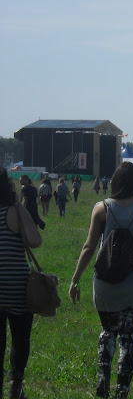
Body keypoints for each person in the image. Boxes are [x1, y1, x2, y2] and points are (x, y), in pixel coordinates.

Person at [68, 162, 133, 399]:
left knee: (108, 331)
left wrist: (75, 279)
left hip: (105, 285)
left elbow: (89, 247)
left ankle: (103, 378)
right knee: (128, 338)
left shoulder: (101, 208)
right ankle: (122, 390)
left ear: (115, 181)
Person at [0, 166, 43, 399]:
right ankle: (15, 386)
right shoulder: (16, 210)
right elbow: (35, 241)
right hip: (17, 287)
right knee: (20, 338)